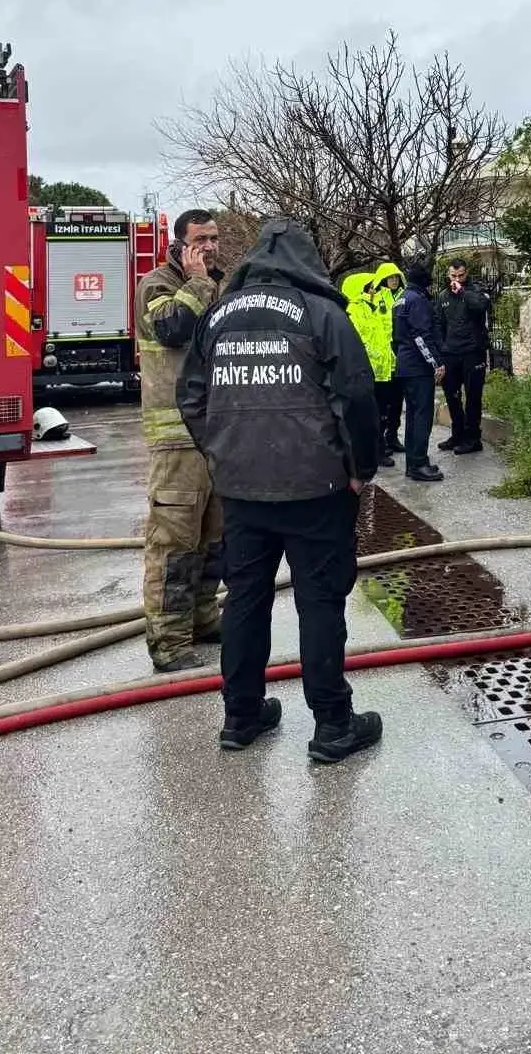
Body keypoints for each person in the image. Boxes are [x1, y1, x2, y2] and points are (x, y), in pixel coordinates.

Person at [177, 218, 383, 764]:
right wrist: (361, 467)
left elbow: (191, 397)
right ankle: (334, 726)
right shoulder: (323, 314)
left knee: (245, 598)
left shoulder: (218, 316)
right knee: (319, 602)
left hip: (241, 491)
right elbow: (357, 398)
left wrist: (222, 453)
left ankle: (241, 716)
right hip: (316, 488)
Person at [133, 208, 225, 672]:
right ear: (180, 244)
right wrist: (198, 282)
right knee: (174, 544)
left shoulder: (216, 284)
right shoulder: (157, 285)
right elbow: (172, 329)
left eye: (213, 238)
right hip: (176, 442)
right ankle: (168, 644)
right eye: (200, 240)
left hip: (213, 434)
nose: (209, 246)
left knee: (213, 538)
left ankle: (204, 619)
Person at [392, 260, 445, 482]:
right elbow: (421, 335)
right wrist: (436, 363)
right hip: (418, 367)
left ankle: (414, 462)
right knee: (422, 416)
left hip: (405, 365)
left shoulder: (400, 299)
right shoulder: (418, 301)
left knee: (413, 415)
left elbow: (395, 338)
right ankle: (418, 464)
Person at [435, 259, 492, 456]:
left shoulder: (476, 290)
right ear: (448, 275)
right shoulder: (442, 296)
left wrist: (462, 291)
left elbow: (480, 306)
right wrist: (441, 351)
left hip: (472, 352)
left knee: (473, 397)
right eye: (453, 276)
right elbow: (439, 325)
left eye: (461, 275)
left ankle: (473, 438)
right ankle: (457, 434)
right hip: (451, 353)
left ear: (466, 274)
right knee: (452, 396)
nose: (457, 279)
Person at [340, 273, 395, 469]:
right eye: (371, 286)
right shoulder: (355, 310)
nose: (375, 289)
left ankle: (379, 448)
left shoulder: (376, 307)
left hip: (382, 369)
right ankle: (374, 452)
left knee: (382, 413)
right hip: (366, 371)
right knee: (369, 415)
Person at [370, 262, 405, 456]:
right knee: (383, 403)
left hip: (399, 354)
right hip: (383, 357)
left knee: (397, 401)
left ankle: (393, 436)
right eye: (390, 277)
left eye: (396, 277)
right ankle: (381, 439)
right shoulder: (377, 296)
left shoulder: (403, 295)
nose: (393, 280)